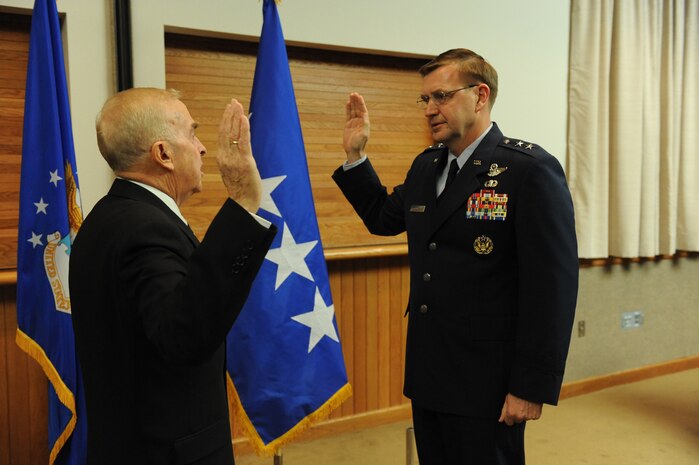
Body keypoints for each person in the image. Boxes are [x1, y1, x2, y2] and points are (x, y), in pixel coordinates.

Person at [333, 49, 578, 464]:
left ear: (480, 96)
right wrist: (356, 157)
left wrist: (531, 385)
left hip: (489, 380)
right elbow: (381, 217)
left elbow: (552, 288)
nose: (430, 109)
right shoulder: (427, 167)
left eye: (442, 96)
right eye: (425, 99)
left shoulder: (528, 170)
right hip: (430, 371)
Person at [70, 88, 277, 465]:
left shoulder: (108, 216)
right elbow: (186, 336)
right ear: (163, 154)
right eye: (192, 133)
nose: (201, 148)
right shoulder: (145, 228)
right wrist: (244, 203)